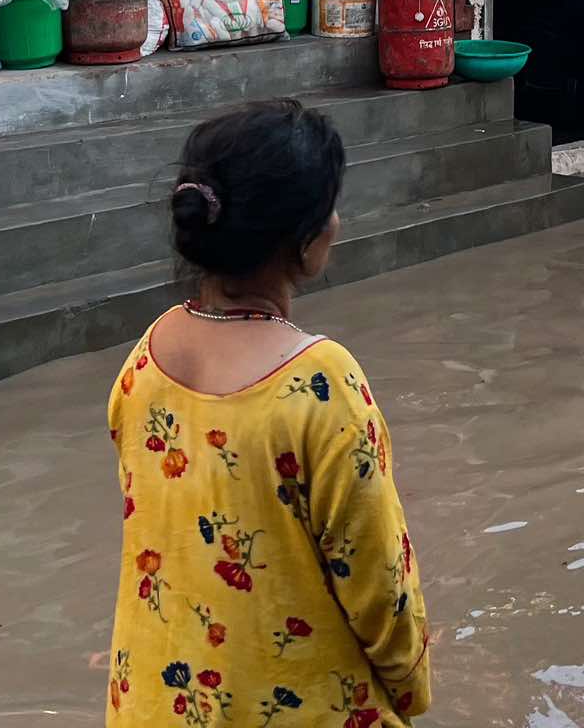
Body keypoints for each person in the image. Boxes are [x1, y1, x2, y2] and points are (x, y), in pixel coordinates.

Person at [105, 102, 431, 726]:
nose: (337, 220)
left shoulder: (142, 363)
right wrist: (412, 691)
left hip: (153, 704)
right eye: (329, 208)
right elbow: (380, 588)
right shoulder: (323, 386)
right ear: (305, 238)